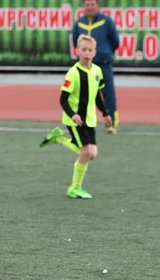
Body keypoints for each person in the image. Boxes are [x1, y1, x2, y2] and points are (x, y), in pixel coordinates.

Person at [38, 35, 111, 199]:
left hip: (90, 119)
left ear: (94, 52)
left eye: (89, 50)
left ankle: (59, 138)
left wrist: (105, 113)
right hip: (75, 120)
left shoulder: (97, 71)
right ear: (77, 51)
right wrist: (73, 115)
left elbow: (98, 96)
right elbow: (63, 99)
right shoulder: (73, 73)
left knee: (93, 154)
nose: (86, 53)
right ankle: (74, 188)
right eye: (83, 50)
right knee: (86, 153)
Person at [72, 0, 119, 134]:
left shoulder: (106, 22)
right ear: (84, 6)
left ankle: (112, 122)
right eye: (87, 5)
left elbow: (115, 41)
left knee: (108, 93)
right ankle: (82, 122)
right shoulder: (80, 23)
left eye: (93, 4)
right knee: (82, 94)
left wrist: (105, 53)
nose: (90, 7)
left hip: (103, 64)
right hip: (85, 66)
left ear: (97, 6)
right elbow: (76, 41)